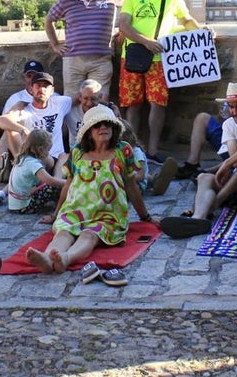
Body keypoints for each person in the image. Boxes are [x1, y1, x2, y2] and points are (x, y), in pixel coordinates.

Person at [26, 105, 153, 282]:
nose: (103, 128)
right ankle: (48, 258)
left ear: (114, 128)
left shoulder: (123, 151)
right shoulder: (77, 153)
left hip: (107, 214)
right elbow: (68, 186)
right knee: (63, 232)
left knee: (90, 235)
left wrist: (146, 217)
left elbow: (131, 186)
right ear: (88, 131)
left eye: (107, 124)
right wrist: (56, 215)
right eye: (97, 125)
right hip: (76, 210)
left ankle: (65, 258)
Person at [159, 81, 237, 238]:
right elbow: (236, 160)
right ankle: (198, 219)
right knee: (204, 177)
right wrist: (229, 162)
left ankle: (215, 203)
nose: (234, 111)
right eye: (231, 107)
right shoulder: (229, 124)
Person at [118, 0, 204, 162]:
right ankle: (133, 150)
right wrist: (146, 41)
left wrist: (203, 33)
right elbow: (124, 26)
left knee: (158, 104)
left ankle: (153, 151)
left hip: (160, 60)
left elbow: (186, 20)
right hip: (133, 57)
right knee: (133, 105)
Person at [46, 0, 126, 94]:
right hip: (73, 61)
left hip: (101, 60)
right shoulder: (66, 0)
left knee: (99, 101)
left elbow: (134, 3)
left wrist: (124, 29)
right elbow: (49, 20)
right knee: (72, 101)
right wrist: (55, 44)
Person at [0, 72, 73, 176]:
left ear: (52, 91)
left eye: (45, 86)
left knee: (63, 155)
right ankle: (16, 165)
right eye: (38, 86)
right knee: (10, 129)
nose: (42, 89)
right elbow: (0, 120)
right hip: (30, 158)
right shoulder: (24, 108)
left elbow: (81, 98)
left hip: (52, 159)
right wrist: (23, 130)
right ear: (31, 89)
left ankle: (14, 173)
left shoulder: (60, 103)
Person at [0, 128, 65, 220]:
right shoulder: (33, 164)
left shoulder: (23, 157)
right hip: (23, 206)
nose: (48, 153)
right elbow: (51, 181)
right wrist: (69, 183)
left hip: (15, 204)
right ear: (41, 149)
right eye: (47, 150)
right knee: (55, 186)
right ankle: (62, 206)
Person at [64, 79, 102, 147]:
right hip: (76, 153)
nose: (89, 103)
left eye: (93, 99)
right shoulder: (70, 110)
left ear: (99, 98)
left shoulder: (106, 113)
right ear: (80, 97)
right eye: (85, 98)